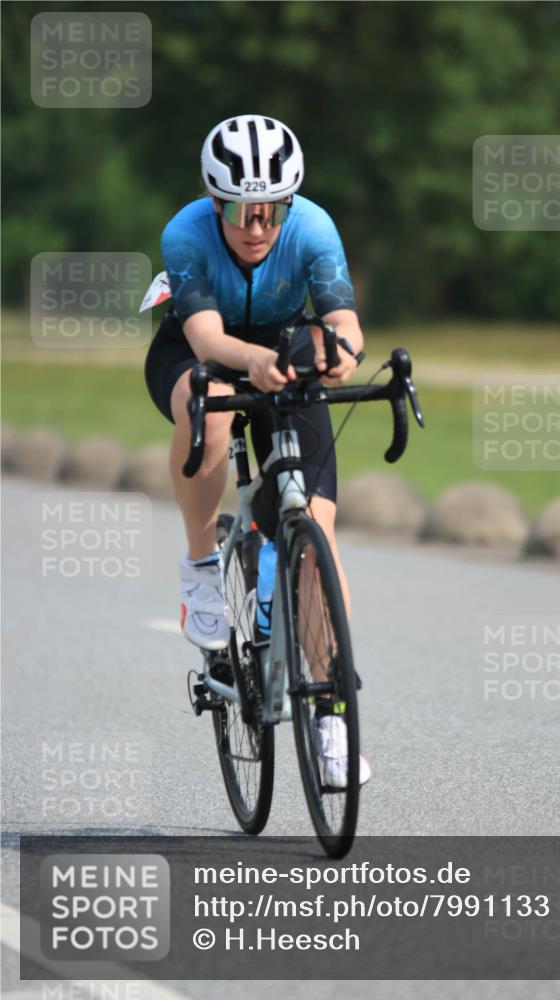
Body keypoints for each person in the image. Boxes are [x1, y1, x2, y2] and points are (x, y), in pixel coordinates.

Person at [144, 113, 370, 786]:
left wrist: (342, 354)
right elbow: (208, 339)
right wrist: (255, 361)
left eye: (272, 209)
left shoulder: (315, 228)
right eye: (239, 210)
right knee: (211, 411)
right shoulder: (185, 233)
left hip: (284, 350)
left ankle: (331, 717)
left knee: (317, 538)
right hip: (199, 351)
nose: (256, 226)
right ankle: (201, 567)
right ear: (214, 202)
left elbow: (343, 320)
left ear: (289, 202)